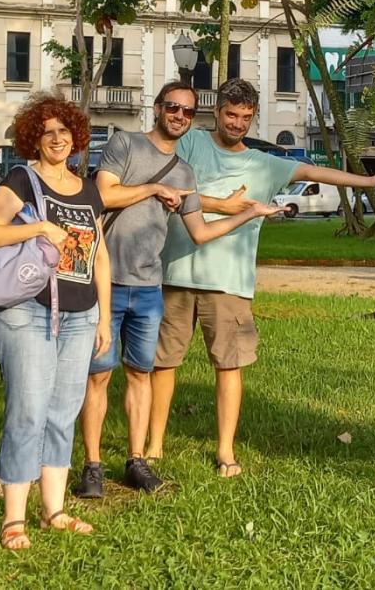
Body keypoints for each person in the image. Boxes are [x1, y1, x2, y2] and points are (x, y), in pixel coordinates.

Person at [148, 78, 375, 477]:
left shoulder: (265, 164)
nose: (236, 123)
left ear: (253, 118)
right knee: (163, 364)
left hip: (228, 282)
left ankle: (226, 452)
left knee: (229, 366)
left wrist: (370, 181)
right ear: (216, 111)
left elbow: (316, 170)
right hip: (176, 273)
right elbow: (154, 160)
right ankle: (153, 447)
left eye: (245, 117)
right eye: (230, 114)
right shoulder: (192, 143)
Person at [76, 80, 283, 498]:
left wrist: (249, 213)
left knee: (141, 374)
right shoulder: (125, 144)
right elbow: (105, 195)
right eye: (173, 107)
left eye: (188, 112)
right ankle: (92, 466)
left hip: (150, 286)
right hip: (106, 281)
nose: (179, 116)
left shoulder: (184, 173)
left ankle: (137, 460)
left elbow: (201, 232)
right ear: (157, 108)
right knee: (98, 376)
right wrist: (154, 188)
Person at [0, 93, 111, 551]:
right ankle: (14, 516)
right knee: (28, 411)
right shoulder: (21, 180)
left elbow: (101, 257)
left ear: (76, 136)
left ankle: (54, 509)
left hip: (81, 314)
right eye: (47, 131)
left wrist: (104, 318)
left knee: (63, 412)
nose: (57, 138)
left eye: (64, 130)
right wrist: (37, 228)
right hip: (26, 311)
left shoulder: (89, 188)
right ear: (35, 138)